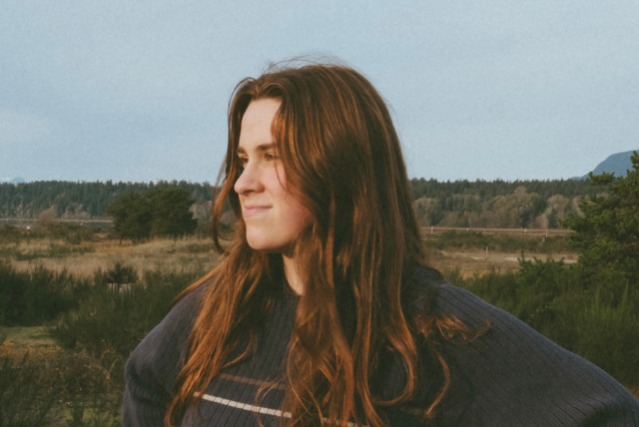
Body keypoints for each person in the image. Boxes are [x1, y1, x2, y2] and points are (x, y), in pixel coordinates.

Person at [122, 62, 639, 427]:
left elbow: (607, 415)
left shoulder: (431, 327)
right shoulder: (217, 312)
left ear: (339, 168)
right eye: (241, 159)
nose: (242, 183)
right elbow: (144, 386)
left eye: (271, 156)